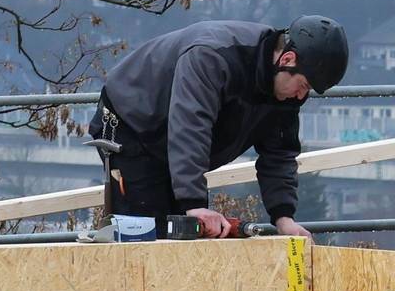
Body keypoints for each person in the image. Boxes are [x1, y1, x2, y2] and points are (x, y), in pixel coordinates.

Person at [91, 17, 348, 240]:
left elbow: (279, 154)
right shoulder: (212, 56)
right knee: (147, 230)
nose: (301, 95)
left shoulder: (286, 91)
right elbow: (191, 126)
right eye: (303, 85)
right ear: (287, 59)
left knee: (184, 232)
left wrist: (283, 218)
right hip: (131, 123)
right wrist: (194, 204)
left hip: (175, 136)